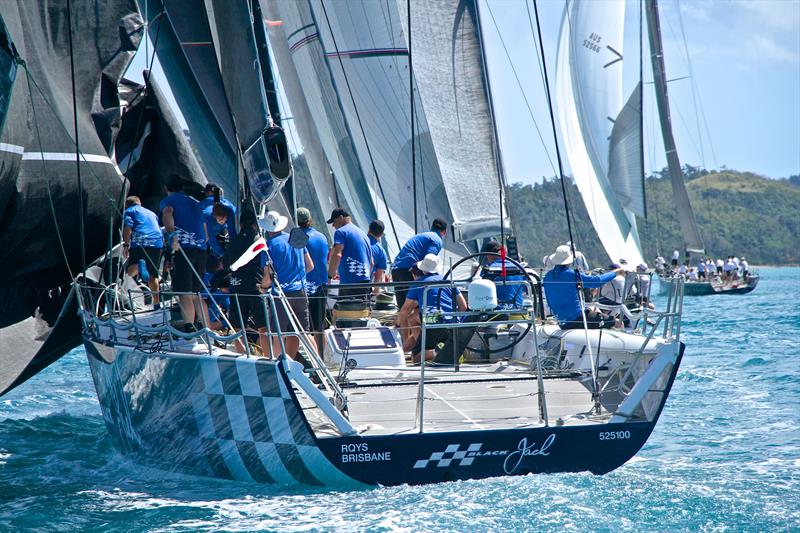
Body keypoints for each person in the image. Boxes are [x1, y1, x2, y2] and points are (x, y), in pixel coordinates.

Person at [261, 210, 315, 360]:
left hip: (280, 294)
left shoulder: (268, 246)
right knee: (305, 334)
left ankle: (280, 372)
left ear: (266, 228)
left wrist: (262, 287)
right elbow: (310, 265)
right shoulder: (295, 239)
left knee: (279, 335)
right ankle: (319, 367)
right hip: (300, 292)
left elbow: (268, 277)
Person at [396, 254, 468, 363]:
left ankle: (438, 352)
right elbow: (463, 307)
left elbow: (405, 310)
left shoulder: (417, 284)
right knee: (414, 320)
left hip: (432, 324)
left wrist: (397, 324)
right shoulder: (449, 281)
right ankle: (450, 351)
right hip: (452, 324)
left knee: (415, 358)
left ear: (423, 270)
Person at [160, 176, 209, 331]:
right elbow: (205, 228)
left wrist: (172, 237)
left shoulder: (169, 200)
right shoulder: (195, 202)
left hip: (184, 249)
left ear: (167, 189)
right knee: (196, 293)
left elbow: (167, 214)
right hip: (201, 250)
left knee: (184, 292)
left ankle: (189, 326)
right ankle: (205, 327)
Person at [223, 210, 270, 355]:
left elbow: (227, 266)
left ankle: (243, 355)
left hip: (237, 287)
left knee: (238, 328)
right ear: (255, 224)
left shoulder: (233, 241)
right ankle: (269, 357)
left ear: (241, 223)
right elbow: (266, 265)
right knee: (263, 328)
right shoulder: (258, 241)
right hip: (255, 287)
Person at [543, 245, 623, 329]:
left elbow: (549, 302)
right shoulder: (572, 274)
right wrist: (615, 273)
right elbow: (596, 281)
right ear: (569, 261)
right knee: (617, 322)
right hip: (578, 320)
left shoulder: (547, 277)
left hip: (562, 322)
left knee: (592, 311)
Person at [390, 218, 447, 310]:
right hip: (408, 271)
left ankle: (401, 324)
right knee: (414, 308)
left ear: (431, 227)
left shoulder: (421, 236)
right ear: (444, 232)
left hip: (396, 270)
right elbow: (428, 260)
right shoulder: (437, 240)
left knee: (403, 309)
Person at [297, 207, 329, 351]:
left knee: (302, 325)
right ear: (309, 219)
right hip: (321, 285)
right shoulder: (322, 236)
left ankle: (311, 356)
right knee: (319, 325)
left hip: (305, 287)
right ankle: (323, 356)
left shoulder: (297, 238)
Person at [326, 208, 373, 307]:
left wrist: (330, 276)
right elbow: (371, 262)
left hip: (350, 284)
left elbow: (337, 255)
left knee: (343, 315)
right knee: (362, 315)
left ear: (341, 218)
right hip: (366, 283)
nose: (333, 226)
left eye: (334, 222)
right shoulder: (363, 234)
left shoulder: (341, 232)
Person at [122, 196, 163, 307]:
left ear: (127, 204)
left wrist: (126, 245)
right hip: (157, 243)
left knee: (129, 272)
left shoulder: (129, 211)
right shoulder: (152, 213)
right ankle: (156, 303)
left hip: (141, 242)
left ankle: (139, 266)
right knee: (153, 275)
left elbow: (128, 228)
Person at [368, 219, 388, 296]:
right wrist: (376, 291)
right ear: (382, 234)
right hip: (364, 284)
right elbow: (378, 276)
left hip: (346, 282)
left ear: (369, 229)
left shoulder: (360, 241)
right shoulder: (381, 251)